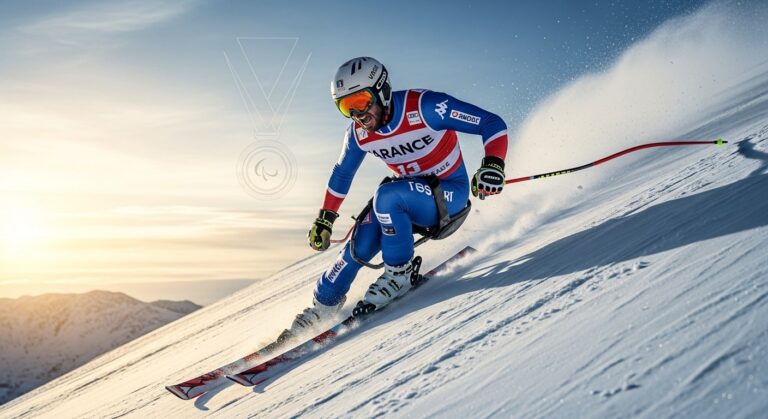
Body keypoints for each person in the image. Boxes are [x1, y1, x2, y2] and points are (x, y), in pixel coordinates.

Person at [289, 56, 508, 334]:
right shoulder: (358, 134)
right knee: (363, 238)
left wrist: (493, 164)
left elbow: (491, 123)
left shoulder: (426, 107)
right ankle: (322, 306)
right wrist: (325, 219)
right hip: (405, 198)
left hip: (448, 196)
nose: (357, 115)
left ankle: (399, 274)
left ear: (382, 91)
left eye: (360, 102)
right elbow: (342, 174)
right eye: (346, 107)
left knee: (388, 196)